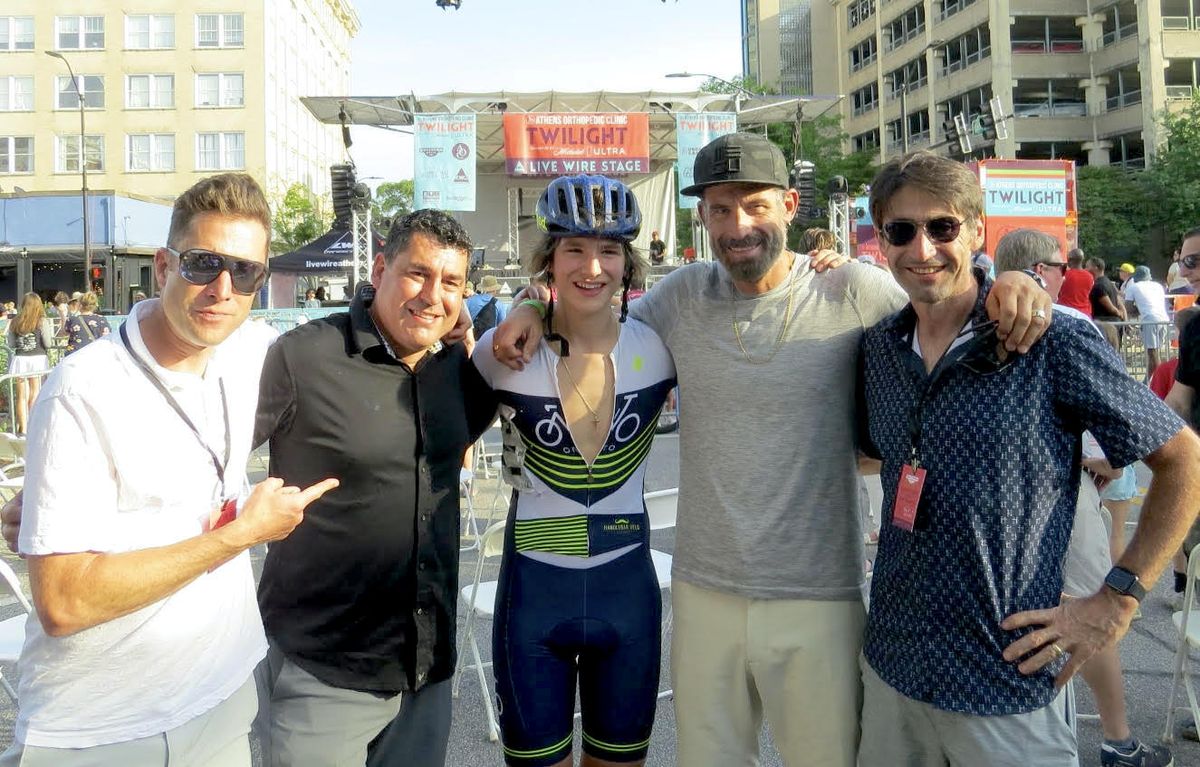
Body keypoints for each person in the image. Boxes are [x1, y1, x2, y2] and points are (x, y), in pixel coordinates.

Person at [493, 132, 1052, 766]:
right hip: (705, 593)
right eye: (721, 209)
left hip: (818, 595)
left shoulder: (852, 290)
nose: (739, 225)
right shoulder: (680, 299)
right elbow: (589, 310)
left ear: (790, 204)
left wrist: (1003, 277)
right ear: (701, 217)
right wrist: (529, 306)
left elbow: (942, 298)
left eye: (755, 205)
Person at [857, 151, 1200, 767]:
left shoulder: (1047, 340)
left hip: (1005, 679)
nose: (922, 248)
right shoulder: (879, 350)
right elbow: (870, 457)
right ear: (881, 240)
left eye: (942, 227)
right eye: (901, 231)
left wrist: (1119, 599)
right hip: (894, 671)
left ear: (976, 231)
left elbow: (1183, 458)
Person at [1, 173, 338, 766]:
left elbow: (369, 328)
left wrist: (489, 325)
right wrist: (243, 534)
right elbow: (63, 604)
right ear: (163, 267)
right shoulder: (83, 389)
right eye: (204, 263)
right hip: (105, 728)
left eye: (247, 272)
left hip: (220, 701)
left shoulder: (247, 349)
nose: (223, 289)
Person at [252, 209, 497, 767]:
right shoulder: (303, 357)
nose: (433, 295)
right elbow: (204, 454)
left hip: (426, 671)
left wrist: (525, 311)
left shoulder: (456, 370)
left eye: (451, 282)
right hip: (323, 672)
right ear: (381, 267)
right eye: (417, 273)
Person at [471, 175, 674, 767]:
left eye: (609, 250)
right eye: (575, 250)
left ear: (627, 264)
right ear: (549, 261)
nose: (593, 267)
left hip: (627, 598)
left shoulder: (661, 350)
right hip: (534, 602)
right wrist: (526, 307)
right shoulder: (501, 353)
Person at [994, 227, 1171, 767]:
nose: (1069, 275)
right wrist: (1106, 460)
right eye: (1061, 265)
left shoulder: (971, 324)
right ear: (1042, 271)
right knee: (1086, 614)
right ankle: (1117, 740)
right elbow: (1149, 440)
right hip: (1063, 500)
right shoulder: (1068, 325)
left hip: (1010, 512)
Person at [5, 292, 55, 435]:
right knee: (35, 393)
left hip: (20, 359)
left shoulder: (15, 321)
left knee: (21, 396)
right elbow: (48, 343)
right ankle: (34, 426)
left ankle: (23, 429)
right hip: (38, 358)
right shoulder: (41, 321)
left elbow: (12, 344)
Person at [1124, 265, 1171, 378]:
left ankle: (1154, 382)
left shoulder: (1133, 287)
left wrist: (1139, 310)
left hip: (1149, 320)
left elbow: (1128, 308)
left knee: (1152, 353)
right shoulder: (1158, 286)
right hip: (1164, 319)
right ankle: (1150, 380)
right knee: (1158, 352)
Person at [60, 291, 110, 356]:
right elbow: (107, 337)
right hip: (95, 355)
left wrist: (62, 316)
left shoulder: (73, 319)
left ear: (80, 305)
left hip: (75, 355)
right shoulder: (102, 319)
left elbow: (64, 333)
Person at [1087, 256, 1127, 324]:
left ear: (1095, 268)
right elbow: (1120, 304)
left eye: (1088, 267)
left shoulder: (1098, 286)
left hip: (1106, 324)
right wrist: (1125, 321)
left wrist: (1120, 314)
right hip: (1115, 323)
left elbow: (1111, 308)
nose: (1086, 269)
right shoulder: (1109, 282)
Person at [467, 273, 508, 339]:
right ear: (495, 290)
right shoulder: (499, 304)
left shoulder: (470, 300)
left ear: (483, 288)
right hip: (488, 340)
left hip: (472, 339)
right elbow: (502, 327)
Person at [1057, 247, 1094, 317]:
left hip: (1066, 313)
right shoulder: (1090, 277)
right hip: (1085, 314)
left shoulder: (1065, 274)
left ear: (1070, 260)